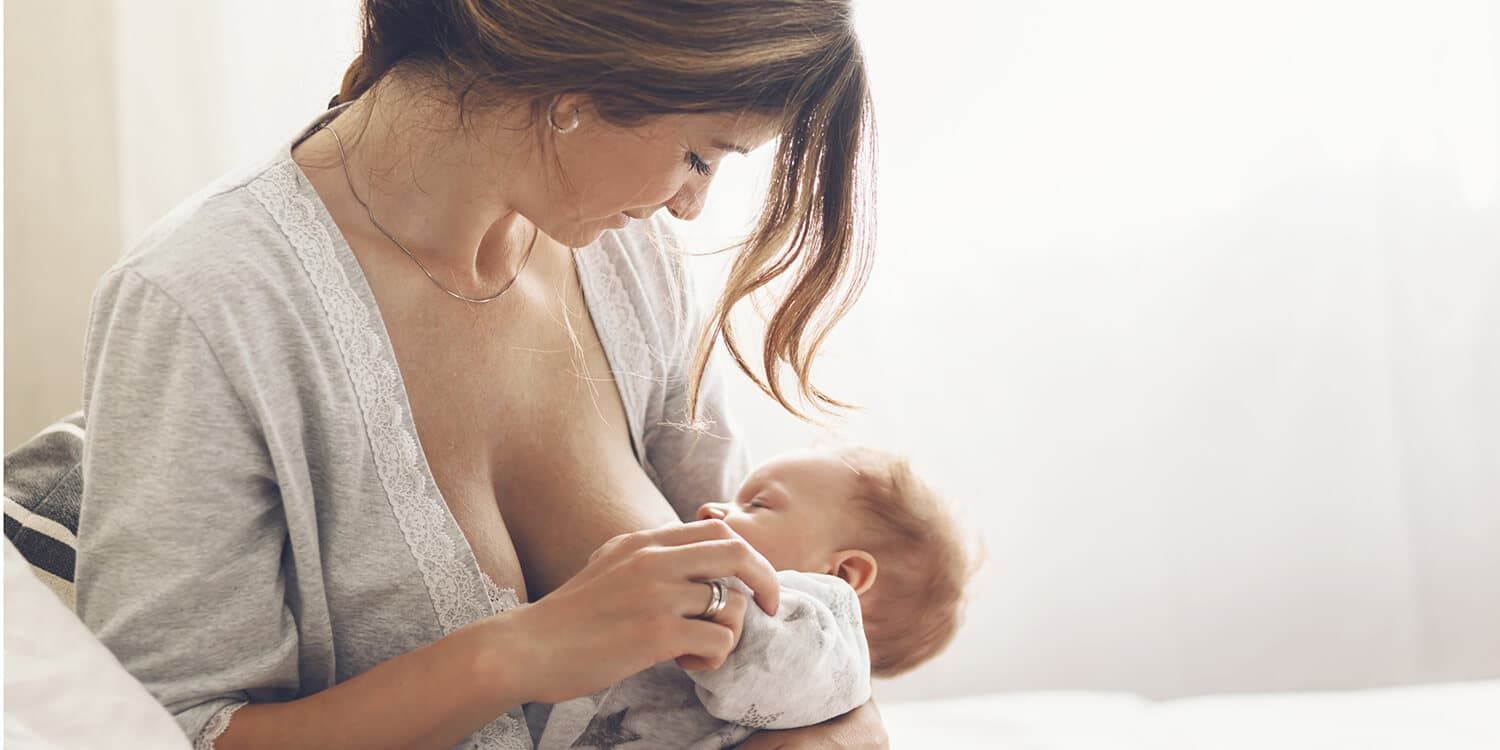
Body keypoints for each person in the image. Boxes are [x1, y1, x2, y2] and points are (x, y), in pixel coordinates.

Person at [74, 1, 882, 748]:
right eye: (700, 156)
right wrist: (518, 655)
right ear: (592, 78)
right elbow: (177, 731)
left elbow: (786, 627)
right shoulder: (209, 303)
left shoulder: (632, 269)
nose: (689, 208)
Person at [535, 447, 972, 749]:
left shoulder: (824, 639)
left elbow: (767, 661)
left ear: (842, 575)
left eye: (758, 505)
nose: (711, 508)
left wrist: (703, 604)